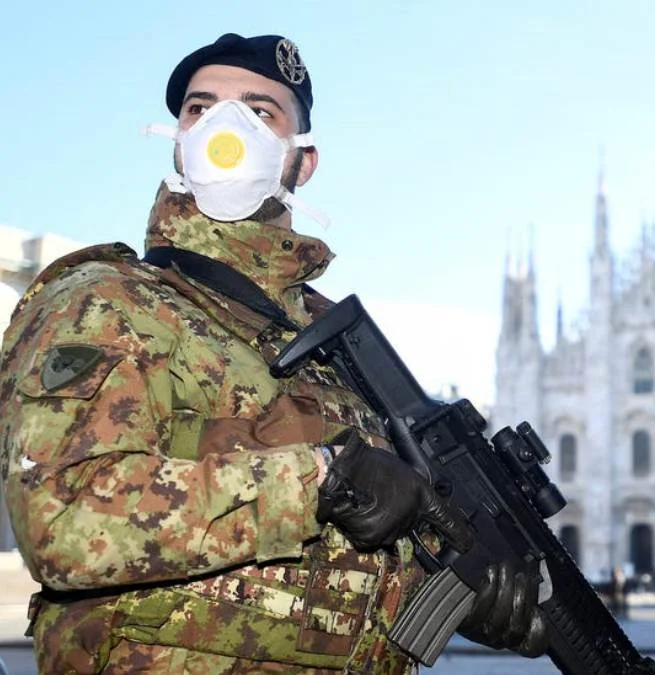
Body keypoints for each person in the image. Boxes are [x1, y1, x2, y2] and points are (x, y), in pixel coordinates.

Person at [0, 33, 548, 674]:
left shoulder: (333, 339)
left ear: (301, 160)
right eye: (200, 110)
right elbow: (62, 518)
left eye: (259, 112)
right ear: (177, 140)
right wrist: (321, 478)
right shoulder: (105, 300)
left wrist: (464, 581)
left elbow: (359, 544)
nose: (224, 131)